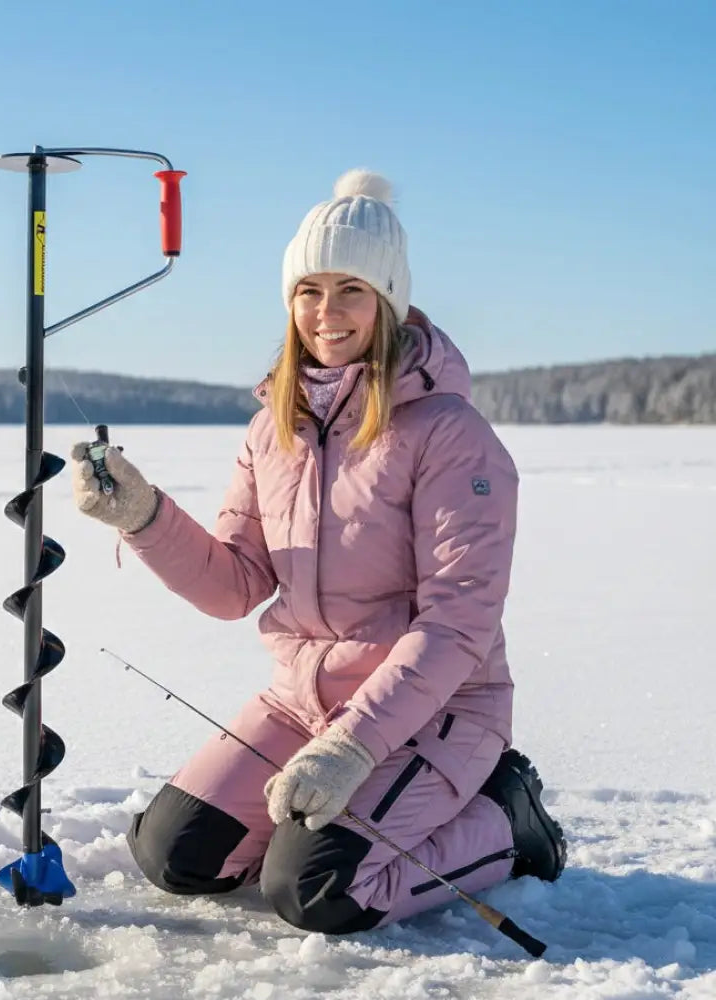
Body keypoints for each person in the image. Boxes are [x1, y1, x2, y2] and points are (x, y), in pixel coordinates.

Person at [70, 169, 566, 934]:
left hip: (436, 713)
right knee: (175, 855)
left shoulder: (449, 433)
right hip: (301, 702)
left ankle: (506, 821)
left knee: (320, 891)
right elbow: (235, 584)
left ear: (389, 303)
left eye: (351, 291)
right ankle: (328, 823)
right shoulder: (274, 427)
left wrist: (355, 749)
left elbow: (456, 627)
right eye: (308, 291)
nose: (326, 313)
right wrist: (142, 517)